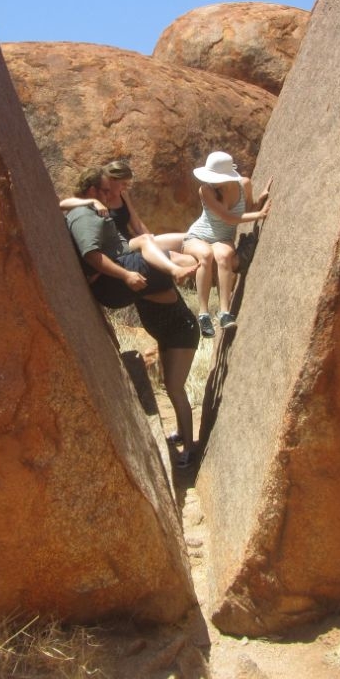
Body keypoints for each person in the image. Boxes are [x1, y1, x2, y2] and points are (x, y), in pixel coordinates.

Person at [64, 175, 200, 468]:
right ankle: (182, 435)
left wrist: (117, 273)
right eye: (102, 191)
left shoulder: (145, 279)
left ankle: (190, 450)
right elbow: (67, 212)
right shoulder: (86, 212)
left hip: (181, 330)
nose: (108, 196)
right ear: (90, 190)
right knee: (169, 386)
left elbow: (96, 254)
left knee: (175, 389)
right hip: (167, 333)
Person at [60, 163, 197, 286]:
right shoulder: (89, 206)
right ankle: (180, 273)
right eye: (123, 183)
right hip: (121, 249)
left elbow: (136, 223)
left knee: (187, 237)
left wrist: (149, 239)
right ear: (111, 180)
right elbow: (62, 204)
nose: (125, 187)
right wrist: (93, 202)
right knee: (176, 257)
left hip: (128, 244)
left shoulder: (122, 196)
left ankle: (206, 257)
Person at [182, 150, 271, 337]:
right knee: (205, 255)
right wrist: (259, 214)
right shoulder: (205, 190)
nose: (212, 181)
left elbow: (245, 212)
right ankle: (204, 314)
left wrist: (260, 202)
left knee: (224, 257)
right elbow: (228, 217)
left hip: (223, 239)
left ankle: (224, 313)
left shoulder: (244, 185)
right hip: (199, 236)